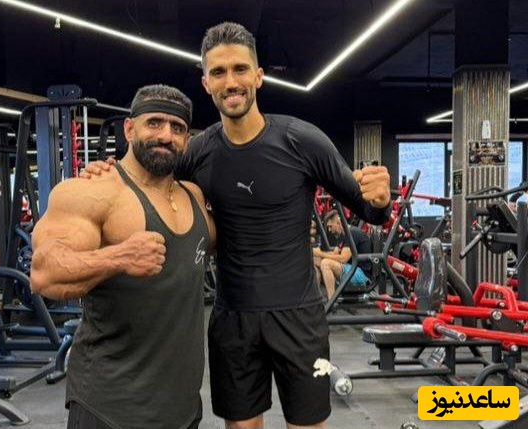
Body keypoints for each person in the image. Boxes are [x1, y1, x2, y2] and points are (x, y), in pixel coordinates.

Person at [82, 22, 391, 429]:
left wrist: (381, 199)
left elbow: (371, 211)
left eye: (240, 69)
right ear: (206, 82)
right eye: (219, 72)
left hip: (299, 318)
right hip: (233, 320)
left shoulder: (303, 140)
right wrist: (107, 171)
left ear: (258, 76)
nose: (231, 82)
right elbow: (148, 178)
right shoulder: (198, 151)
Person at [30, 84, 215, 429]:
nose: (166, 135)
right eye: (154, 123)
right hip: (111, 406)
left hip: (182, 406)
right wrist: (118, 257)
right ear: (130, 129)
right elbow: (44, 274)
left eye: (177, 128)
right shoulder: (92, 191)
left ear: (186, 140)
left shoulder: (194, 195)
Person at [313, 211, 372, 300]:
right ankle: (315, 299)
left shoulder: (352, 233)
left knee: (326, 263)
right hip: (351, 269)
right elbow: (334, 254)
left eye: (330, 226)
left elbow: (343, 259)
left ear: (338, 222)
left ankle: (331, 301)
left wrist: (319, 253)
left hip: (362, 275)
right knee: (317, 261)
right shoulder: (342, 235)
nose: (329, 230)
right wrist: (317, 255)